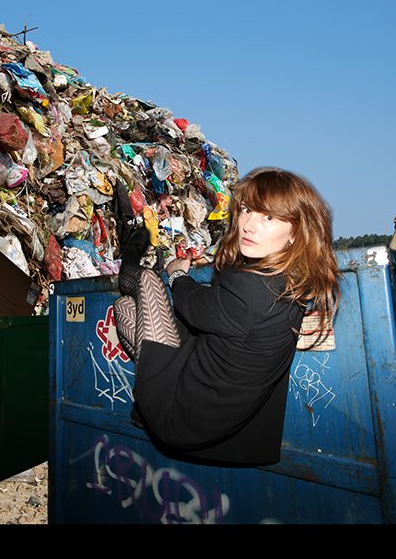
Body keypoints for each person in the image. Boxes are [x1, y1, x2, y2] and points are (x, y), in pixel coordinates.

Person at [113, 167, 339, 465]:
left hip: (181, 414)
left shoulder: (250, 288)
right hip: (220, 426)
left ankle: (131, 253)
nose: (248, 225)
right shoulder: (293, 282)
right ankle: (146, 398)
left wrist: (179, 275)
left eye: (268, 217)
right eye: (246, 210)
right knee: (125, 309)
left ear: (295, 230)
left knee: (145, 280)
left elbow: (192, 305)